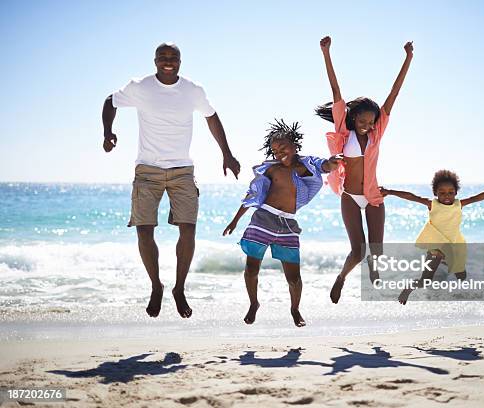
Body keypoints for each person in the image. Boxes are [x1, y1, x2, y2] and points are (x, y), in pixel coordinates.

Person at [101, 42, 241, 318]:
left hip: (182, 171)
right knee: (144, 231)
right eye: (163, 57)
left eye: (173, 57)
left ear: (180, 61)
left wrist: (227, 153)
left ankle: (179, 288)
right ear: (154, 60)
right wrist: (108, 132)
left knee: (188, 230)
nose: (168, 61)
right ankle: (156, 286)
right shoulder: (140, 87)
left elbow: (212, 118)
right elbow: (110, 101)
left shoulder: (192, 90)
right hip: (147, 170)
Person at [315, 36, 414, 303]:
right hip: (349, 195)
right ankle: (341, 278)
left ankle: (374, 266)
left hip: (372, 196)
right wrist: (326, 53)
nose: (367, 125)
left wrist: (408, 59)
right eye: (363, 120)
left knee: (377, 251)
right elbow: (336, 92)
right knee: (357, 252)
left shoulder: (376, 134)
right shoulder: (343, 134)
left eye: (371, 122)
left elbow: (393, 94)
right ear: (354, 118)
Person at [223, 120, 341, 327]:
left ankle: (295, 309)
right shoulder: (272, 170)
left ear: (295, 145)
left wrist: (334, 161)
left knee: (294, 277)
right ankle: (253, 303)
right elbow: (252, 195)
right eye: (275, 150)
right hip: (263, 220)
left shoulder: (308, 165)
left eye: (283, 147)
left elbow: (325, 165)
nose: (279, 153)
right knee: (251, 270)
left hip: (288, 225)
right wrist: (234, 221)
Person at [380, 170, 484, 303]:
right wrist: (389, 192)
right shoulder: (432, 205)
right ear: (436, 193)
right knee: (425, 280)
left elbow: (479, 197)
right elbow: (411, 197)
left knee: (462, 276)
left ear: (456, 193)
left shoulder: (459, 205)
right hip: (436, 247)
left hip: (454, 245)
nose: (447, 196)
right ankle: (408, 289)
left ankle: (461, 290)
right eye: (442, 193)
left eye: (451, 193)